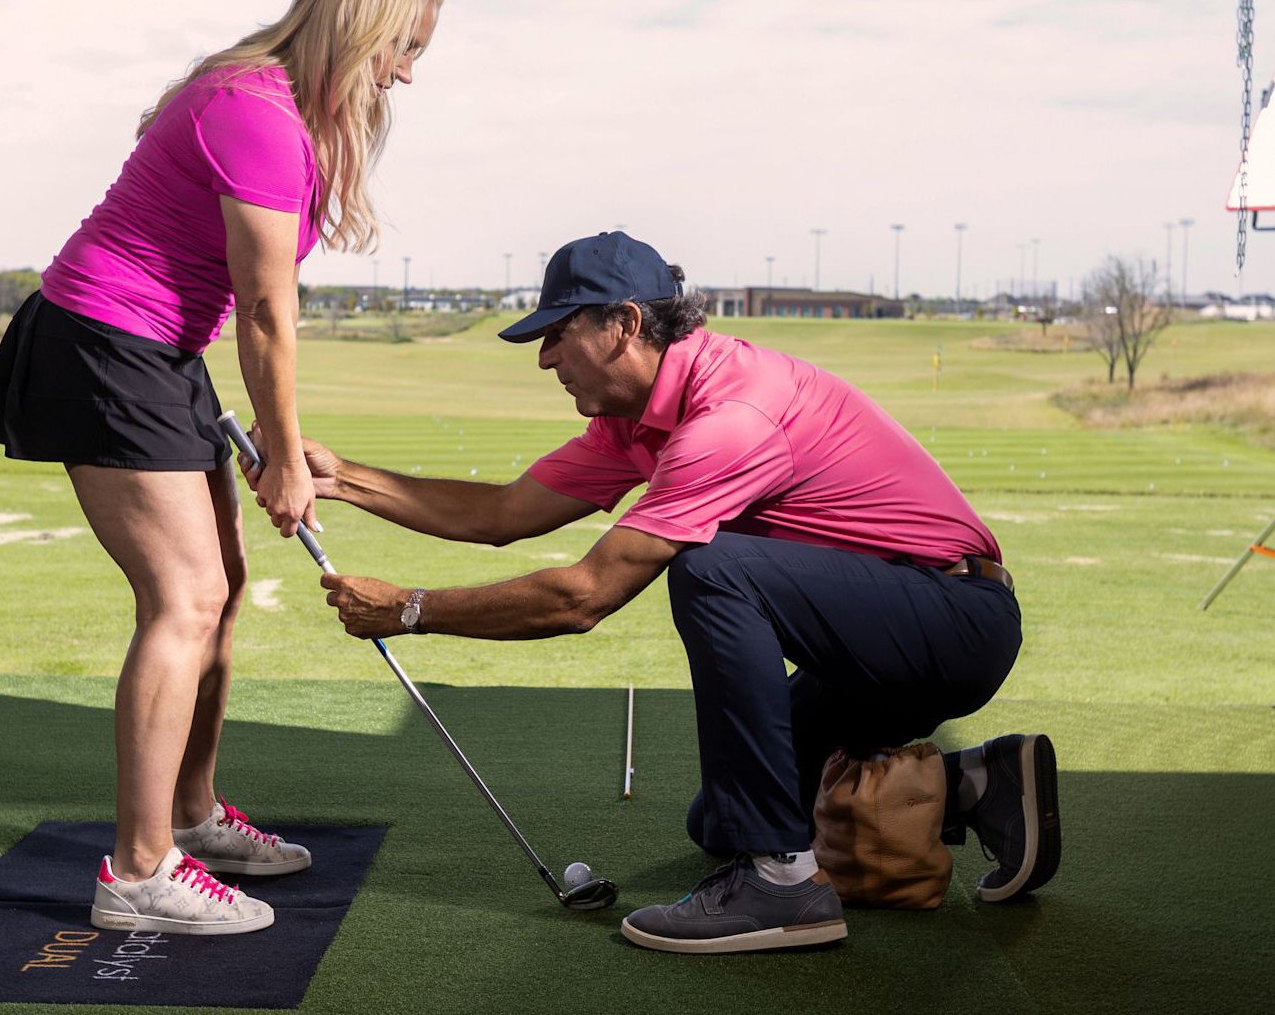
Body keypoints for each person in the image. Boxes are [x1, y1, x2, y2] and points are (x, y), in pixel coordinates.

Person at [244, 230, 1060, 954]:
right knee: (717, 824)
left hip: (952, 622)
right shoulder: (634, 423)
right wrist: (341, 476)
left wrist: (413, 609)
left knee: (710, 566)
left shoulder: (729, 416)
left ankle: (782, 885)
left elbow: (584, 596)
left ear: (624, 324)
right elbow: (503, 513)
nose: (543, 358)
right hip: (873, 640)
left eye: (558, 335)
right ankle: (979, 780)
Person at [0, 0, 443, 936]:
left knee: (219, 597)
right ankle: (138, 872)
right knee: (183, 599)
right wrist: (282, 454)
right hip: (103, 343)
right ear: (361, 28)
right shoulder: (253, 111)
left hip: (158, 353)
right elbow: (267, 309)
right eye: (402, 49)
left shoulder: (273, 103)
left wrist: (276, 446)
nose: (404, 75)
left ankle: (189, 814)